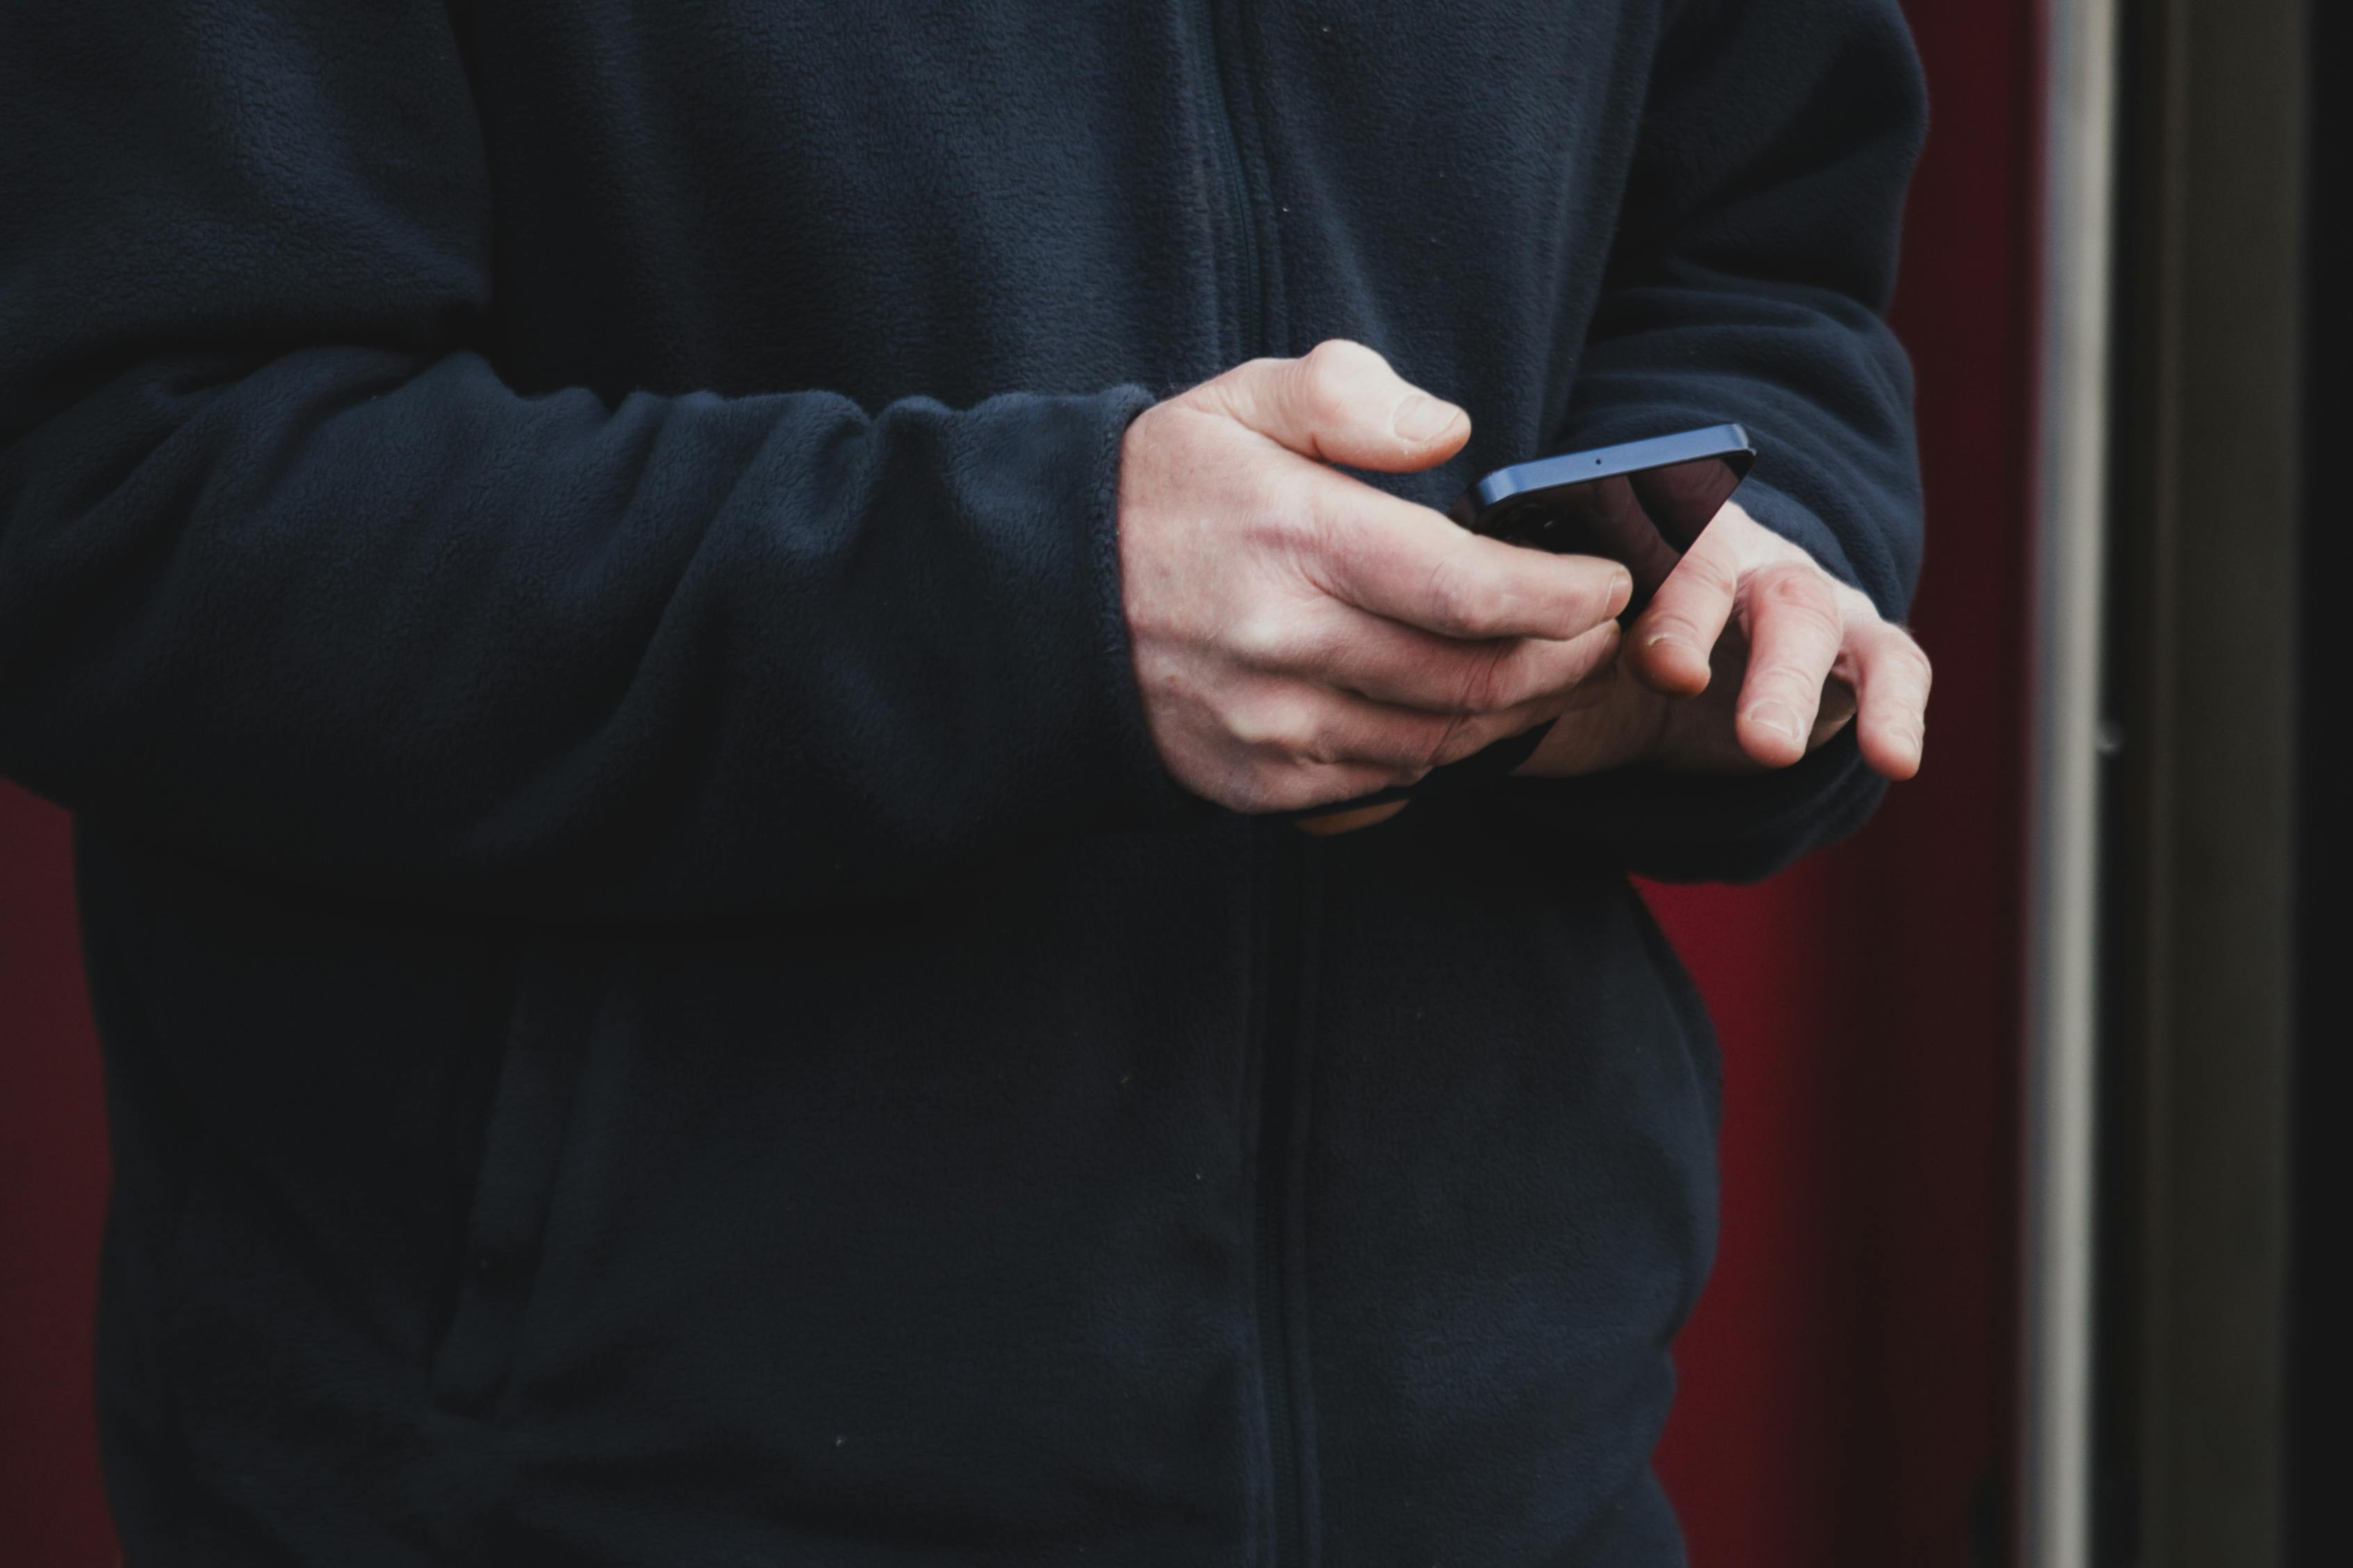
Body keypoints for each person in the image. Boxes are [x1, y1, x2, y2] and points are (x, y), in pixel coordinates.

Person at [0, 1, 1932, 1562]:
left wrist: (1728, 573)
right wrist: (1028, 592)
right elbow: (108, 491)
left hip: (1506, 1453)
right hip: (594, 1478)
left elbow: (1756, 275)